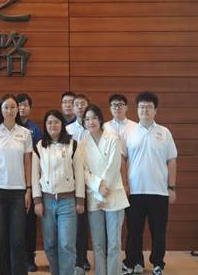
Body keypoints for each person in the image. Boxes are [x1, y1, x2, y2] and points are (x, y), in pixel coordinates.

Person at [123, 92, 178, 275]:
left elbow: (172, 160)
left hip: (159, 192)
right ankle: (133, 262)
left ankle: (157, 263)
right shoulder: (129, 132)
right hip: (135, 191)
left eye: (148, 107)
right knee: (134, 231)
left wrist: (171, 187)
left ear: (155, 110)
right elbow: (122, 159)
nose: (144, 110)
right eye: (141, 107)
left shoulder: (164, 132)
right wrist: (124, 184)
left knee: (158, 231)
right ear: (137, 110)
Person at [0, 94, 32, 275]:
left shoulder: (25, 133)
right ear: (1, 111)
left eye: (12, 107)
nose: (9, 110)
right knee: (1, 238)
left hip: (19, 191)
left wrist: (28, 189)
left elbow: (28, 162)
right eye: (6, 107)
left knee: (17, 239)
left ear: (17, 109)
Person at [32, 109, 85, 275]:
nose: (53, 125)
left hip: (67, 201)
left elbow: (80, 174)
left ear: (62, 124)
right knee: (49, 244)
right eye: (49, 122)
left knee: (66, 244)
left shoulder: (73, 145)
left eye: (56, 122)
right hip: (47, 201)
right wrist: (37, 200)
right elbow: (34, 175)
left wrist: (80, 200)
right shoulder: (39, 146)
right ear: (45, 125)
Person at [80, 104, 129, 275]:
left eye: (94, 118)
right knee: (98, 244)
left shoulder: (113, 138)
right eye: (87, 119)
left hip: (113, 195)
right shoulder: (82, 143)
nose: (91, 122)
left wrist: (102, 193)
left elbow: (114, 166)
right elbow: (84, 171)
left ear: (100, 119)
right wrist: (97, 188)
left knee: (114, 243)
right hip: (94, 196)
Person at [16, 93, 43, 272]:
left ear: (30, 108)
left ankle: (29, 257)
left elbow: (39, 155)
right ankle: (17, 257)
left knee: (29, 222)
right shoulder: (11, 127)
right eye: (19, 105)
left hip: (30, 180)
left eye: (25, 105)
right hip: (12, 181)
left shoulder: (35, 129)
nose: (22, 108)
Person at [65, 93, 90, 271]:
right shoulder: (67, 130)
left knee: (86, 223)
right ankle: (74, 258)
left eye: (83, 104)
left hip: (92, 182)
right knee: (75, 222)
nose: (80, 107)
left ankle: (83, 257)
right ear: (72, 109)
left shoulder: (94, 127)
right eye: (76, 104)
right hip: (72, 183)